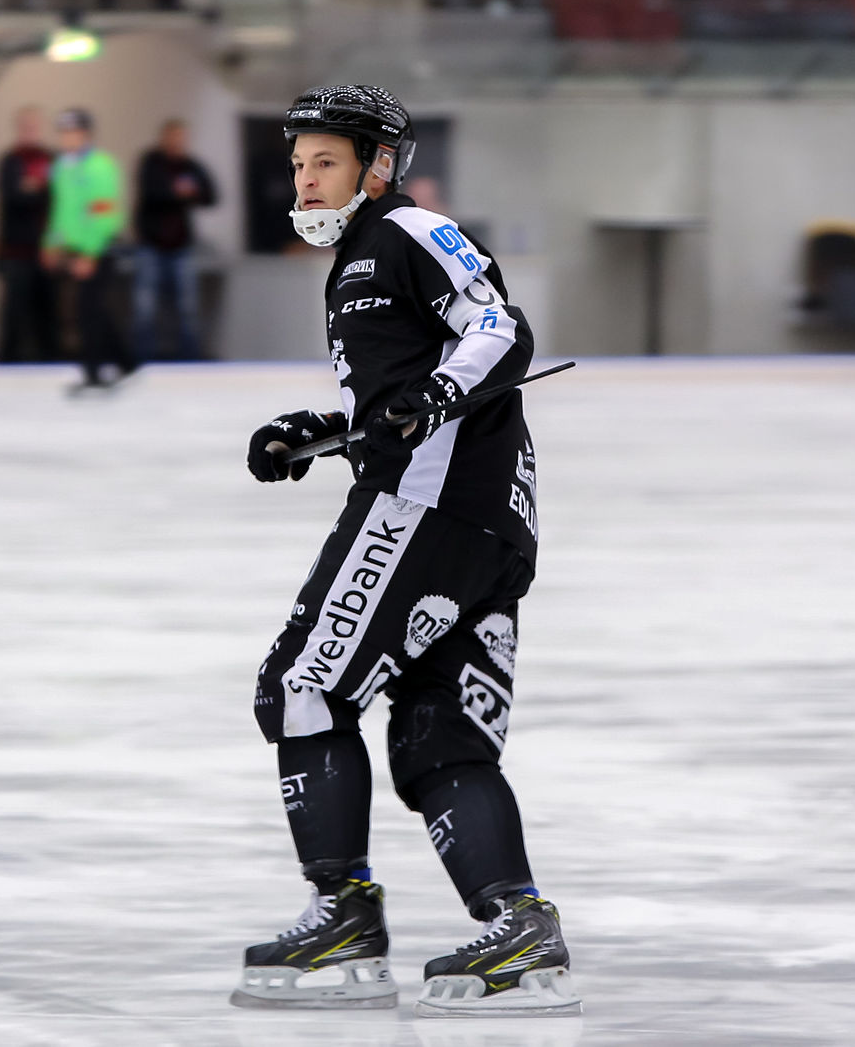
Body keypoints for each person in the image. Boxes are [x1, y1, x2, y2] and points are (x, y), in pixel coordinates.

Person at [230, 85, 582, 1018]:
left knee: (304, 686)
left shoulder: (408, 230)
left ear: (378, 164)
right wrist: (319, 432)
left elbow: (499, 330)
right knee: (442, 739)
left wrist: (429, 400)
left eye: (326, 162)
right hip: (485, 523)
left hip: (427, 508)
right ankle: (518, 923)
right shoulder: (360, 255)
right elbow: (399, 393)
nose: (306, 180)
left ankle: (343, 911)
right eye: (298, 164)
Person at [43, 107, 136, 392]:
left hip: (99, 248)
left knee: (88, 310)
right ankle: (126, 362)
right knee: (93, 309)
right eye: (63, 132)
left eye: (72, 132)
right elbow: (60, 211)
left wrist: (90, 253)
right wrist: (51, 243)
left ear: (85, 134)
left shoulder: (100, 166)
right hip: (76, 249)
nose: (66, 138)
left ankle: (94, 373)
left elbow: (104, 212)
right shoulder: (62, 167)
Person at [131, 119, 217, 361]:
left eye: (182, 138)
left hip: (181, 246)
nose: (178, 143)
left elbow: (211, 196)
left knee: (187, 307)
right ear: (164, 138)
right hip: (151, 246)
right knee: (145, 307)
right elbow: (152, 192)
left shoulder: (191, 165)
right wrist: (179, 192)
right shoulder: (151, 162)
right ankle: (142, 359)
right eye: (174, 137)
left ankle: (189, 360)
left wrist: (187, 193)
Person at [0, 105, 58, 363]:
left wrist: (33, 187)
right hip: (16, 252)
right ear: (18, 129)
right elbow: (12, 197)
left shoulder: (51, 160)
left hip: (46, 251)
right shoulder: (9, 161)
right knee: (13, 318)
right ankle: (5, 367)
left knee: (47, 317)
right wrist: (38, 189)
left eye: (34, 126)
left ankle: (50, 367)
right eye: (25, 126)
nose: (30, 131)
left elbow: (58, 199)